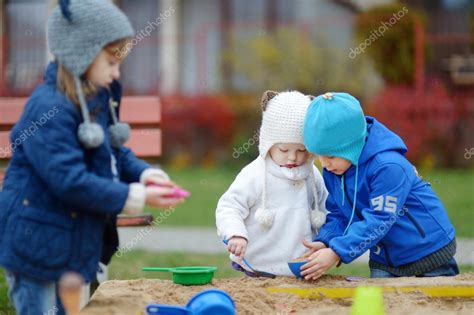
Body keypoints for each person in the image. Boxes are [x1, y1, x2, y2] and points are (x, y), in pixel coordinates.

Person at [0, 1, 184, 313]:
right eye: (111, 63)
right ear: (80, 56)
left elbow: (113, 153)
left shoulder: (95, 99)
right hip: (35, 246)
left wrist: (143, 174)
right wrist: (133, 195)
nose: (117, 73)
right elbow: (70, 181)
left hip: (69, 241)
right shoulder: (48, 109)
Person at [301, 92, 458, 279]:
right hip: (384, 258)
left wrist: (337, 251)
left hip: (428, 252)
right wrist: (326, 241)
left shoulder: (388, 166)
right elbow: (339, 214)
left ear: (350, 147)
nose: (324, 163)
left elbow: (380, 218)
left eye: (331, 156)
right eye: (320, 155)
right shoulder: (335, 170)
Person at [216, 90, 328, 276]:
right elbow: (229, 206)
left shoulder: (312, 174)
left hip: (300, 262)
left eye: (301, 150)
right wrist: (235, 234)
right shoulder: (255, 174)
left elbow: (326, 207)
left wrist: (328, 243)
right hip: (260, 263)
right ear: (268, 144)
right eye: (284, 150)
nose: (293, 157)